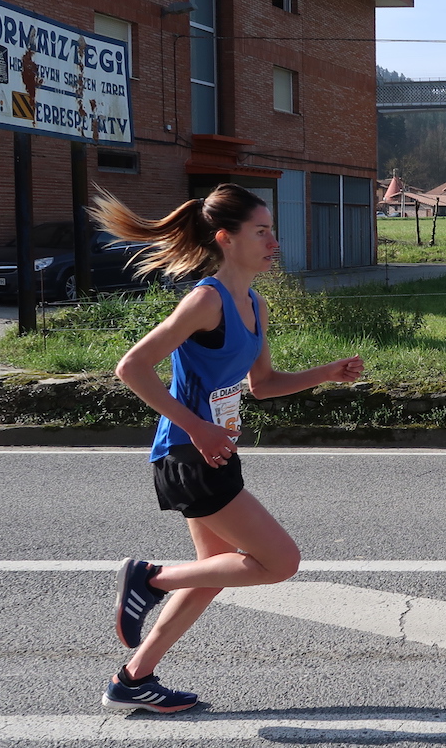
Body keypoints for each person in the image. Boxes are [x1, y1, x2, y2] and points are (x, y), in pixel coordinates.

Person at [91, 184, 365, 713]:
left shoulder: (254, 304)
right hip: (188, 454)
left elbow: (263, 384)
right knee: (280, 561)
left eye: (271, 231)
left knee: (212, 573)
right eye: (261, 232)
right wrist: (197, 427)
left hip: (212, 451)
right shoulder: (206, 300)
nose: (273, 242)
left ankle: (132, 679)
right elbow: (132, 368)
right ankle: (150, 578)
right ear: (226, 239)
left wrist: (327, 373)